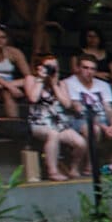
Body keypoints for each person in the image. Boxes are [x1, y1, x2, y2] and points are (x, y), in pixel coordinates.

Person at [64, 53, 112, 173]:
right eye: (85, 68)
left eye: (92, 69)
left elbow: (109, 108)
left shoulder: (103, 85)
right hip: (80, 120)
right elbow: (79, 109)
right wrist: (104, 127)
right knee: (93, 129)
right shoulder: (69, 83)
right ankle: (90, 165)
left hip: (104, 120)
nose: (89, 71)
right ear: (78, 68)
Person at [24, 52, 87, 181]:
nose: (53, 69)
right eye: (49, 66)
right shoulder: (31, 79)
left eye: (55, 66)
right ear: (40, 67)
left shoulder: (61, 83)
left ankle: (73, 168)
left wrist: (54, 84)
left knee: (80, 143)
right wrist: (41, 79)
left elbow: (67, 103)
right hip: (39, 122)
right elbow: (33, 98)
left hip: (59, 123)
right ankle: (52, 171)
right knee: (53, 134)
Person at [70, 27, 112, 122]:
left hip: (108, 87)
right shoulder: (78, 52)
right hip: (87, 88)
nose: (92, 39)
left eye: (95, 36)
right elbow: (74, 71)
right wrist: (96, 74)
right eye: (89, 36)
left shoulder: (108, 54)